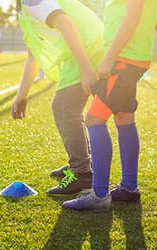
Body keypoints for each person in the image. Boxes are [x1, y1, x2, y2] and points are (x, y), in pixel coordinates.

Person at [62, 0, 157, 212]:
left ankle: (99, 194)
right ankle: (130, 188)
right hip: (131, 56)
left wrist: (109, 57)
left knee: (94, 119)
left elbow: (132, 17)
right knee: (124, 117)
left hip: (125, 57)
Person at [12, 0, 104, 195]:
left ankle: (82, 173)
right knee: (67, 109)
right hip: (88, 46)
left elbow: (67, 24)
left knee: (64, 108)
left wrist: (86, 68)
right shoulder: (23, 9)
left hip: (88, 47)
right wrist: (22, 95)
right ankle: (82, 166)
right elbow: (32, 56)